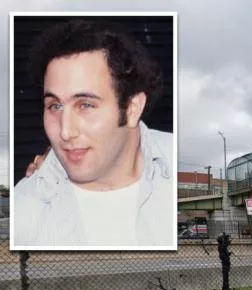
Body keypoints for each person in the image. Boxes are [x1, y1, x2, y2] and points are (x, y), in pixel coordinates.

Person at [14, 18, 174, 248]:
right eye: (54, 106)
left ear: (132, 108)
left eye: (85, 105)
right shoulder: (27, 206)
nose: (66, 131)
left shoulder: (171, 173)